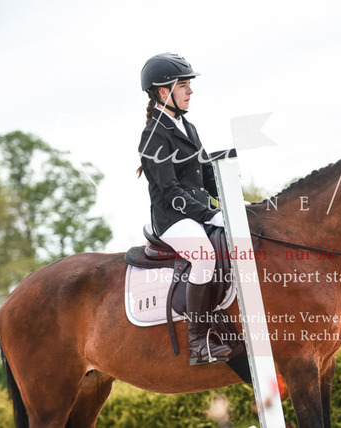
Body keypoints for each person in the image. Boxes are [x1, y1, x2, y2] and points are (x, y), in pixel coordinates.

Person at [138, 52, 231, 365]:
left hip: (195, 212)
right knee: (204, 255)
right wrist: (209, 214)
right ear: (164, 92)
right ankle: (198, 341)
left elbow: (207, 174)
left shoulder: (187, 127)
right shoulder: (153, 135)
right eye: (183, 85)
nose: (190, 91)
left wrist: (231, 202)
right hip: (173, 218)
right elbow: (170, 191)